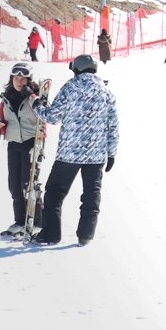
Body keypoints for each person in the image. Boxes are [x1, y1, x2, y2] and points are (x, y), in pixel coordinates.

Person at [31, 54, 119, 246]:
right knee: (91, 195)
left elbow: (52, 117)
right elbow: (113, 126)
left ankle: (51, 235)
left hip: (69, 153)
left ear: (76, 69)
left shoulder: (70, 88)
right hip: (96, 156)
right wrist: (111, 153)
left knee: (54, 193)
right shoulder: (106, 93)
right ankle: (85, 236)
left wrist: (37, 106)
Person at [0, 63, 45, 237]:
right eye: (16, 78)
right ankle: (20, 221)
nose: (19, 82)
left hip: (31, 143)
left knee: (28, 183)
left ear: (28, 80)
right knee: (14, 184)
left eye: (23, 79)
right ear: (11, 79)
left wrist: (33, 97)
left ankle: (37, 222)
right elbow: (2, 117)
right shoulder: (6, 98)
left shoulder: (34, 98)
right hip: (13, 144)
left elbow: (45, 115)